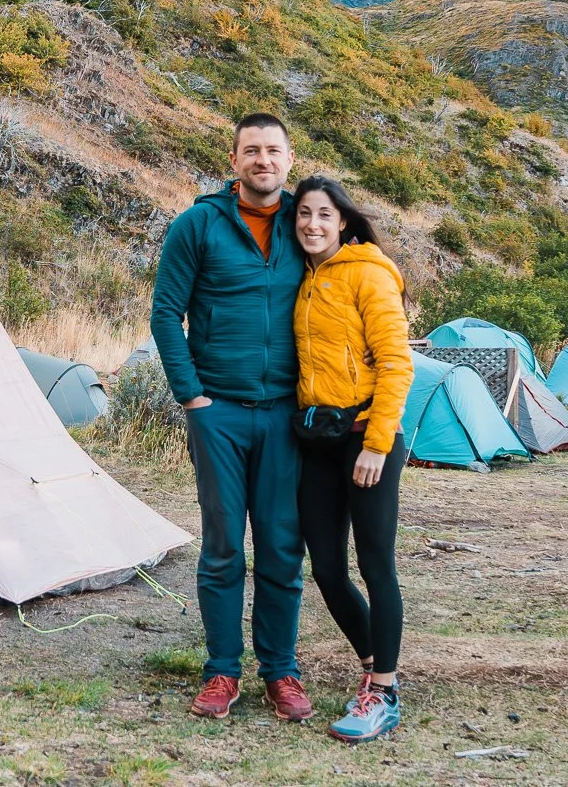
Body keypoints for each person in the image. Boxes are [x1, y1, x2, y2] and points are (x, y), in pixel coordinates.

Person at [149, 114, 314, 722]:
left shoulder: (309, 224)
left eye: (273, 150)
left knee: (280, 547)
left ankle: (281, 672)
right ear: (234, 158)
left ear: (288, 158)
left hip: (287, 417)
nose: (262, 160)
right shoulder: (197, 225)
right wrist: (192, 397)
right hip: (217, 413)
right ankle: (222, 670)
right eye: (252, 150)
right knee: (222, 546)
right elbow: (166, 314)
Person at [288, 175, 414, 743]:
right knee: (328, 571)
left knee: (375, 565)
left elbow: (397, 364)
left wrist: (376, 445)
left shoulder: (369, 273)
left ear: (342, 220)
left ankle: (382, 693)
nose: (312, 224)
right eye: (303, 215)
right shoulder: (303, 277)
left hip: (366, 434)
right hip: (318, 438)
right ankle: (373, 667)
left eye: (323, 214)